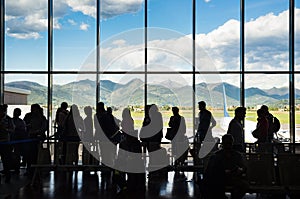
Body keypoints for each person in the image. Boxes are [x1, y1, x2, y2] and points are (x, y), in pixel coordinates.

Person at [201, 134, 248, 199]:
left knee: (242, 185)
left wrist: (240, 170)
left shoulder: (236, 155)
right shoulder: (217, 155)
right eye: (226, 143)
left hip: (232, 177)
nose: (228, 145)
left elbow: (243, 167)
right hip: (221, 178)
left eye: (229, 143)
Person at [23, 103, 47, 176]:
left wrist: (35, 131)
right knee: (30, 155)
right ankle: (31, 169)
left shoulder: (33, 116)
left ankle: (34, 169)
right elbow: (24, 125)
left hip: (34, 138)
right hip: (33, 138)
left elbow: (44, 128)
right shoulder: (41, 117)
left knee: (34, 154)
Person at [0, 104, 14, 182]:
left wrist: (6, 130)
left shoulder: (8, 119)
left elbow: (12, 129)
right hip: (4, 142)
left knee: (6, 160)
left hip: (5, 142)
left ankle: (7, 175)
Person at [11, 108, 27, 173]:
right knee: (14, 154)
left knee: (16, 154)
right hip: (15, 140)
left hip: (16, 140)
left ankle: (16, 168)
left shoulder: (20, 121)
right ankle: (14, 167)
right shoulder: (21, 122)